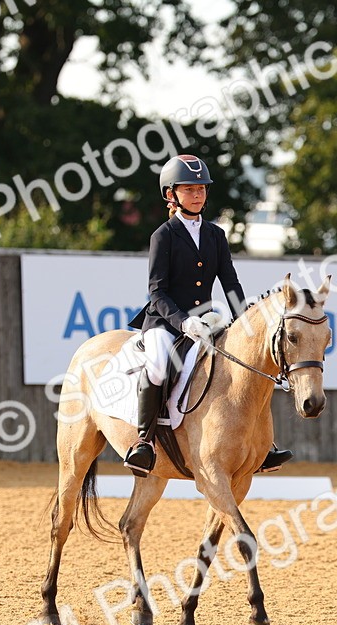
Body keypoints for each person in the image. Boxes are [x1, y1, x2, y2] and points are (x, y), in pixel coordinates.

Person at [123, 153, 294, 476]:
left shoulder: (215, 235)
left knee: (242, 365)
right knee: (159, 365)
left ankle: (260, 444)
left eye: (201, 188)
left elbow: (229, 282)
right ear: (171, 194)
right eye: (189, 189)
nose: (198, 194)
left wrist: (245, 323)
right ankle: (144, 441)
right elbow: (157, 292)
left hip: (206, 320)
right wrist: (183, 322)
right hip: (166, 322)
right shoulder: (163, 236)